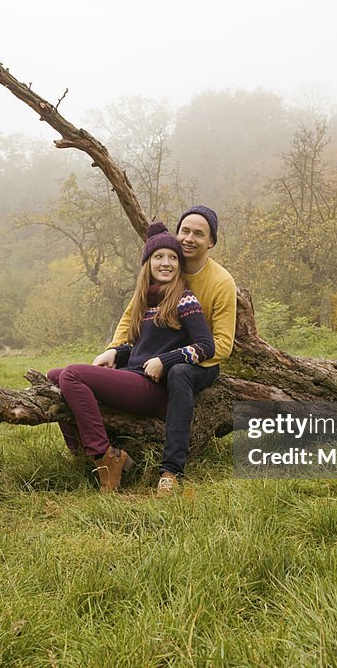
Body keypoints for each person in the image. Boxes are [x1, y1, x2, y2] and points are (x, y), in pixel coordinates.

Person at [47, 221, 215, 493]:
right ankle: (79, 453)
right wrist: (116, 352)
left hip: (154, 388)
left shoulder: (184, 300)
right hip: (133, 375)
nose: (166, 263)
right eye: (159, 257)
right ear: (147, 263)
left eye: (173, 257)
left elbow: (206, 345)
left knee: (73, 374)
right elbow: (141, 346)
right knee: (54, 376)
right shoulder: (144, 301)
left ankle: (104, 456)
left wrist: (167, 360)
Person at [102, 205, 236, 495]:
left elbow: (222, 346)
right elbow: (131, 317)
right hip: (157, 355)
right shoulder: (164, 266)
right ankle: (110, 453)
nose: (189, 238)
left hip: (201, 362)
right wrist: (115, 350)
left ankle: (170, 471)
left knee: (178, 374)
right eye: (185, 231)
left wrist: (171, 358)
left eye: (198, 234)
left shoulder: (221, 282)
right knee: (119, 374)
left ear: (211, 241)